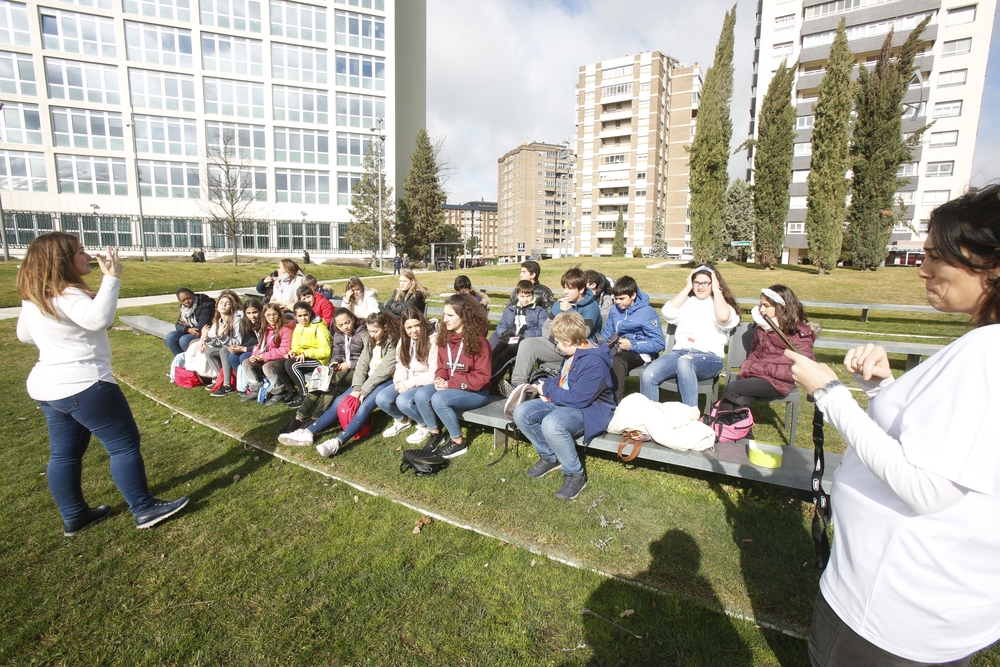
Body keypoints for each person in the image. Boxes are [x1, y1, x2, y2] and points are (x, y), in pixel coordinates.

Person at [786, 189, 1000, 667]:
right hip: (934, 609)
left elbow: (927, 487)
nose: (922, 269)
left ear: (992, 266)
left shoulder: (988, 352)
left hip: (888, 614)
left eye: (935, 256)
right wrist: (884, 390)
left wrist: (830, 394)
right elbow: (942, 442)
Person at [15, 233, 188, 534]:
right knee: (123, 446)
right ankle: (144, 508)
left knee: (64, 454)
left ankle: (75, 515)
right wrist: (112, 278)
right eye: (80, 252)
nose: (87, 255)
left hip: (48, 385)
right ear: (63, 260)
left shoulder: (36, 295)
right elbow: (97, 320)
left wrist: (58, 337)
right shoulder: (67, 293)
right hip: (84, 384)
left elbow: (25, 335)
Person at [513, 311, 615, 501]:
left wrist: (546, 390)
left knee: (552, 423)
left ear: (568, 341)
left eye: (558, 342)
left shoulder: (593, 361)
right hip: (566, 401)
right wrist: (544, 383)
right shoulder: (572, 354)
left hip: (589, 410)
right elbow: (564, 380)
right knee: (521, 412)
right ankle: (550, 456)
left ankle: (575, 474)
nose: (556, 346)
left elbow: (579, 399)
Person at [279, 310, 398, 456]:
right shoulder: (369, 339)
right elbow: (362, 363)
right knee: (339, 401)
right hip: (369, 377)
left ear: (385, 327)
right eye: (369, 331)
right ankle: (309, 431)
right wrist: (357, 387)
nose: (371, 334)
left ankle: (338, 441)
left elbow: (384, 371)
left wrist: (363, 391)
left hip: (386, 380)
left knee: (363, 406)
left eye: (375, 331)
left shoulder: (393, 342)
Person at [639, 265, 740, 408]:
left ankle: (691, 416)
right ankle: (651, 419)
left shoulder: (720, 304)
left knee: (685, 363)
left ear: (714, 282)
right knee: (648, 374)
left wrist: (717, 290)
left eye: (705, 283)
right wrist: (687, 288)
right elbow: (667, 312)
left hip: (709, 357)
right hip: (680, 353)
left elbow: (724, 318)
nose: (700, 287)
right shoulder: (687, 303)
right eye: (697, 282)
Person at [411, 293, 492, 458]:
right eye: (444, 314)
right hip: (451, 385)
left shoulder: (479, 342)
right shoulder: (445, 337)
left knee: (439, 400)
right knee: (421, 395)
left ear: (463, 316)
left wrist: (450, 384)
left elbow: (482, 378)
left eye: (450, 315)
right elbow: (442, 366)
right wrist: (440, 377)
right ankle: (436, 434)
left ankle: (458, 442)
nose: (444, 319)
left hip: (475, 391)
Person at [716, 285, 817, 412]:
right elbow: (755, 353)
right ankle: (733, 429)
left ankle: (721, 425)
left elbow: (807, 364)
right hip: (758, 376)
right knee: (739, 400)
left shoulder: (797, 332)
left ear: (782, 307)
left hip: (778, 382)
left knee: (732, 389)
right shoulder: (762, 327)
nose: (761, 309)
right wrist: (750, 368)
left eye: (767, 305)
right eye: (761, 304)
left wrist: (765, 370)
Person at [504, 267, 603, 394]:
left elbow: (582, 334)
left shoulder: (591, 307)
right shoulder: (560, 303)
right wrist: (557, 341)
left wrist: (569, 311)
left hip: (581, 350)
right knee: (527, 344)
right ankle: (518, 387)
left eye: (570, 288)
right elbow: (546, 326)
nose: (566, 292)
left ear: (581, 289)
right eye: (564, 288)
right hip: (557, 345)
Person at [281, 308, 367, 432]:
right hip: (342, 368)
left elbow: (368, 357)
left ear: (352, 319)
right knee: (322, 377)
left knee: (332, 380)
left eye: (347, 323)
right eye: (341, 325)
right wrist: (334, 363)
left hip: (360, 370)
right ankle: (299, 417)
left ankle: (316, 417)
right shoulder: (338, 334)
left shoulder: (362, 333)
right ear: (336, 325)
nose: (345, 327)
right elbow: (336, 354)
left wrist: (349, 364)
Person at [375, 305, 439, 442]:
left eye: (417, 325)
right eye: (409, 327)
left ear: (422, 323)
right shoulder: (404, 341)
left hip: (424, 382)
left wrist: (409, 384)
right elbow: (401, 365)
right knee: (382, 399)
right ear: (403, 328)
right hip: (408, 379)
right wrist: (399, 381)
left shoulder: (432, 340)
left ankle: (425, 425)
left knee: (403, 402)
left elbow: (433, 373)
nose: (414, 330)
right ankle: (402, 420)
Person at [600, 275, 665, 403]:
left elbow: (659, 343)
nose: (618, 302)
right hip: (618, 346)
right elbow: (607, 333)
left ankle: (613, 404)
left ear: (633, 295)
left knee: (617, 360)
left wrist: (632, 345)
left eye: (622, 299)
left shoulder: (647, 313)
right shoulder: (615, 310)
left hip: (640, 352)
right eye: (616, 298)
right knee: (595, 357)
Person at [265, 301, 331, 407]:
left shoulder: (319, 327)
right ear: (295, 316)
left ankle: (304, 394)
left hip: (319, 360)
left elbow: (326, 351)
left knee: (292, 365)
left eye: (305, 315)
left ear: (310, 313)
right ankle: (292, 391)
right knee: (279, 364)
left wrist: (306, 353)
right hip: (304, 357)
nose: (303, 318)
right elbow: (296, 346)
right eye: (299, 316)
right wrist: (293, 352)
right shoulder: (298, 327)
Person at [489, 279, 547, 388]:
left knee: (504, 355)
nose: (525, 299)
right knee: (496, 353)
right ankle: (489, 380)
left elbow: (542, 330)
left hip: (525, 341)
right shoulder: (510, 310)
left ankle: (493, 382)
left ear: (533, 295)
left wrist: (525, 334)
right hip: (509, 338)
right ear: (517, 295)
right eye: (522, 296)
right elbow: (501, 325)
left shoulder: (539, 311)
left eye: (528, 296)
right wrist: (505, 333)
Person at [240, 303, 293, 401]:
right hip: (267, 356)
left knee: (267, 366)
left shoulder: (285, 329)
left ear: (279, 315)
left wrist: (264, 356)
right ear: (264, 316)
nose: (272, 317)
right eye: (268, 315)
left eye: (274, 314)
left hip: (281, 358)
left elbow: (285, 349)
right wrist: (254, 355)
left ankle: (278, 391)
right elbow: (259, 346)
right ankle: (256, 388)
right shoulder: (265, 329)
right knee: (246, 362)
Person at [199, 293, 244, 397]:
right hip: (227, 346)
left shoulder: (236, 320)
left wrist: (221, 336)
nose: (224, 305)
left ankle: (227, 385)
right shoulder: (219, 320)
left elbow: (238, 342)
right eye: (221, 303)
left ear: (231, 307)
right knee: (209, 351)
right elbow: (219, 343)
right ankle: (220, 379)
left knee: (224, 350)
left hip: (238, 348)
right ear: (217, 306)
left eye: (227, 303)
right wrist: (206, 338)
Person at [165, 288, 215, 356]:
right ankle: (181, 360)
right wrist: (188, 329)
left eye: (189, 298)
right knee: (171, 336)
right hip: (191, 330)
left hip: (206, 334)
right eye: (183, 300)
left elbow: (199, 329)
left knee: (184, 339)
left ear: (193, 295)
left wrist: (187, 327)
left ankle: (192, 361)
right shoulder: (184, 308)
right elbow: (178, 325)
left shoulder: (205, 305)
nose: (187, 301)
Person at [228, 297, 261, 387]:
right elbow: (249, 340)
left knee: (244, 357)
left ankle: (255, 383)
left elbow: (265, 344)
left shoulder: (264, 323)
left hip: (263, 350)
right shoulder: (247, 323)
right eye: (248, 313)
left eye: (255, 312)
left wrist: (245, 349)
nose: (252, 316)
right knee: (232, 356)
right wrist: (238, 348)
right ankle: (243, 383)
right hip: (253, 348)